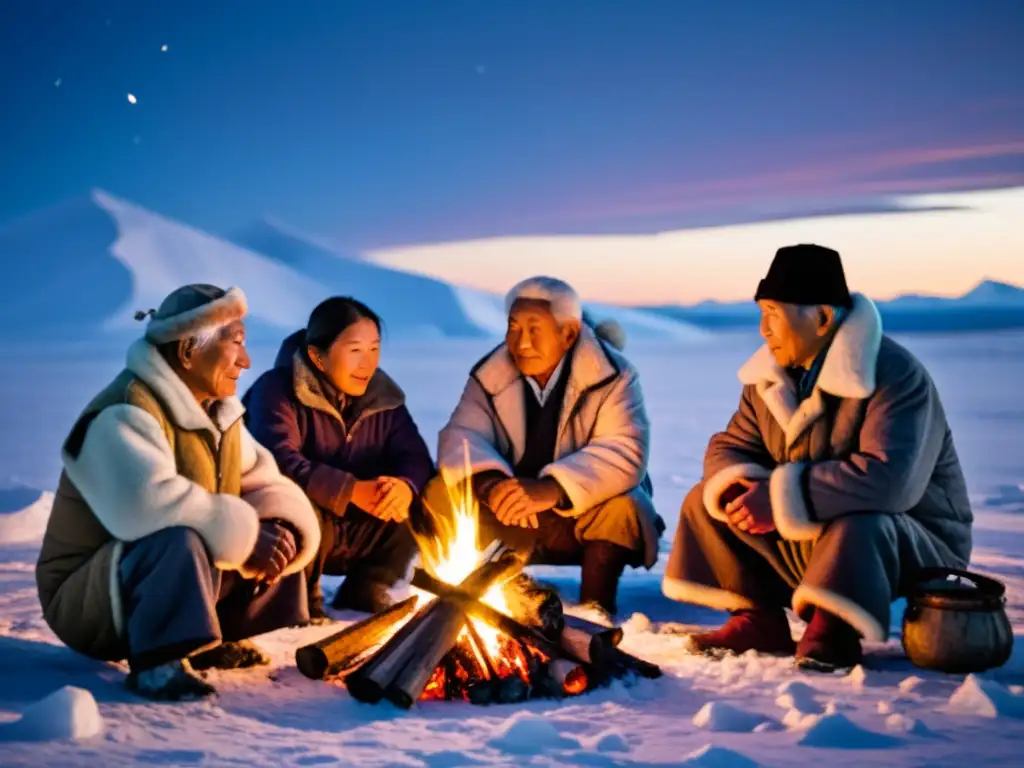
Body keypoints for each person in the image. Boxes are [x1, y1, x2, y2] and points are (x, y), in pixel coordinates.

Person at [663, 245, 973, 671]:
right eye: (761, 312)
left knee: (862, 519)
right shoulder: (767, 379)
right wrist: (740, 487)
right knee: (707, 498)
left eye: (774, 313)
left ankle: (834, 625)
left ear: (823, 318)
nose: (763, 329)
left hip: (909, 540)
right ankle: (756, 616)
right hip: (813, 539)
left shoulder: (895, 375)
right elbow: (731, 444)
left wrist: (777, 499)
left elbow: (890, 481)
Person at [36, 284, 321, 701]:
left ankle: (210, 642)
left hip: (147, 581)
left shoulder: (218, 413)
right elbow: (146, 506)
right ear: (188, 351)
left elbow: (265, 480)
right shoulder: (124, 411)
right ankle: (158, 662)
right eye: (236, 343)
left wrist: (278, 525)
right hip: (89, 598)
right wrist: (244, 538)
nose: (246, 360)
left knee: (272, 527)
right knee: (178, 536)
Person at [425, 276, 664, 617]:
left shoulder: (614, 376)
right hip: (513, 514)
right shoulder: (490, 375)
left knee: (626, 505)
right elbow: (462, 435)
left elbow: (624, 450)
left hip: (581, 516)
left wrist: (551, 488)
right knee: (439, 492)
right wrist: (491, 484)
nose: (521, 341)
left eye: (534, 328)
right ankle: (503, 591)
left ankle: (595, 609)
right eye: (513, 327)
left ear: (568, 334)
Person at [244, 297, 434, 620]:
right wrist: (350, 490)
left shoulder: (383, 398)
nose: (368, 363)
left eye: (374, 349)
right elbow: (277, 462)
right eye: (355, 350)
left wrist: (404, 486)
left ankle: (371, 588)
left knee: (417, 511)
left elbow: (413, 455)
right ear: (318, 357)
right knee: (294, 508)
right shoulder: (276, 391)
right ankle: (297, 602)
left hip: (359, 529)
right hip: (303, 530)